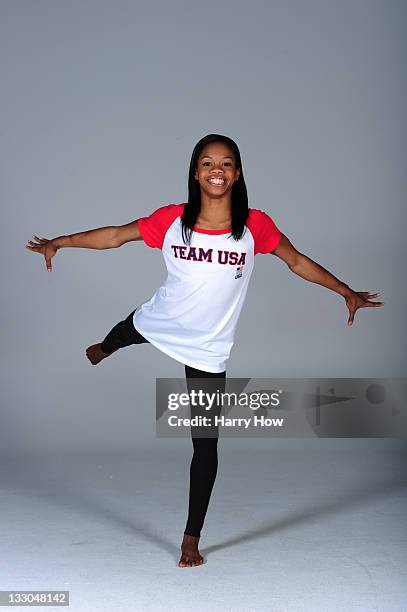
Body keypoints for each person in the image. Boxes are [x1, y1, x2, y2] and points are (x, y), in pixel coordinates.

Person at [25, 133, 384, 568]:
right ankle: (104, 347)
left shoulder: (255, 226)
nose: (218, 170)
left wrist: (344, 291)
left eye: (227, 163)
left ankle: (190, 538)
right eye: (209, 163)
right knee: (127, 330)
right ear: (195, 172)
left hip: (208, 346)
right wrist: (59, 242)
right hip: (163, 319)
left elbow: (298, 262)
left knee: (205, 444)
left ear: (238, 173)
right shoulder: (172, 220)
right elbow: (115, 236)